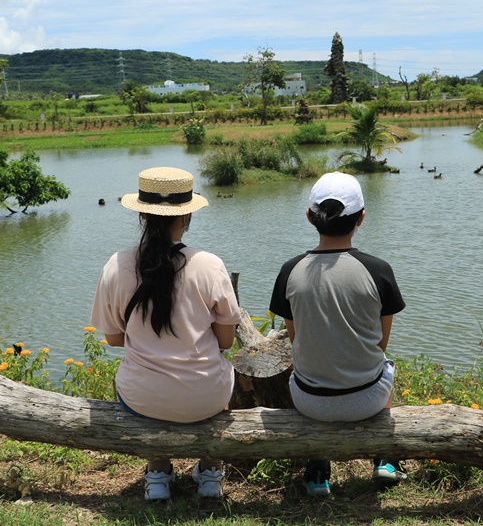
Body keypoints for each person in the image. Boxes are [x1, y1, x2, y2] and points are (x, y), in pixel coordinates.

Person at [91, 166, 241, 500]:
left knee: (141, 379)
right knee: (222, 376)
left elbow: (114, 339)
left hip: (142, 397)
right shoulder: (209, 264)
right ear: (187, 216)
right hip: (206, 398)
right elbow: (227, 342)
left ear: (142, 213)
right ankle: (211, 473)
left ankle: (158, 473)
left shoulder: (116, 265)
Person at [269, 171, 406, 497]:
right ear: (361, 218)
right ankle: (385, 460)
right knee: (385, 364)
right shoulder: (379, 270)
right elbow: (380, 342)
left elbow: (296, 339)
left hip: (309, 400)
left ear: (309, 217)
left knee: (307, 362)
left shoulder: (290, 270)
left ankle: (317, 473)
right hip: (368, 398)